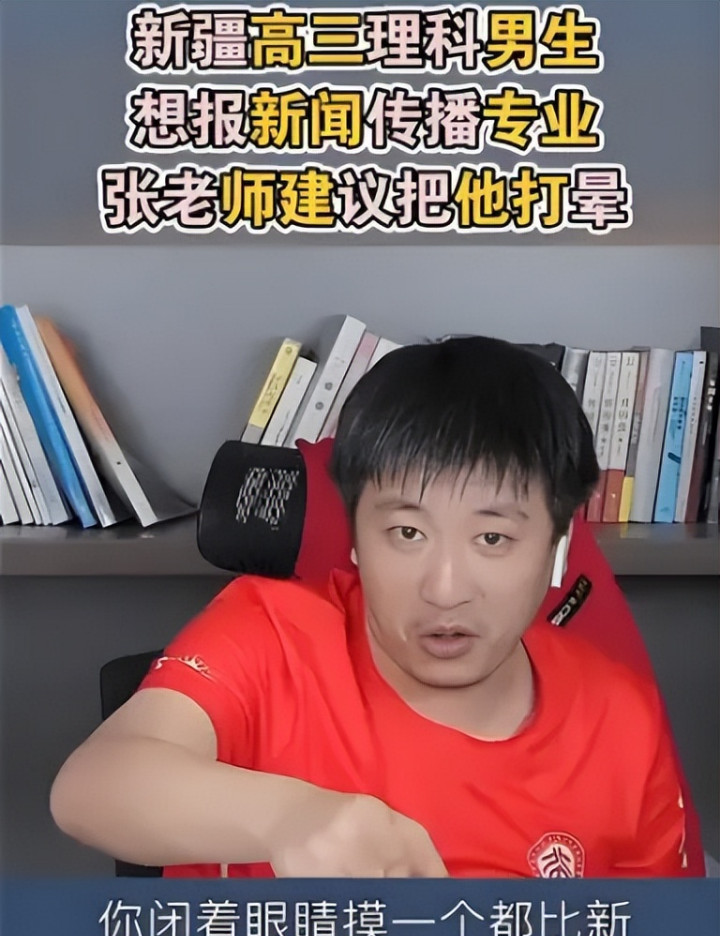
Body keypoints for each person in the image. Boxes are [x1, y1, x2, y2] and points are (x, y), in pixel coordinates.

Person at [50, 337, 690, 878]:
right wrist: (286, 818)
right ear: (355, 535)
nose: (445, 589)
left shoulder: (622, 721)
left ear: (558, 545)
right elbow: (91, 787)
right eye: (407, 533)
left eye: (493, 539)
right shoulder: (273, 632)